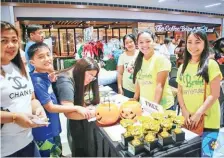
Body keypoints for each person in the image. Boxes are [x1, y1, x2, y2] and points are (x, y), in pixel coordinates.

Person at [27, 42, 91, 157]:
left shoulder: (43, 75)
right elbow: (50, 108)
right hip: (44, 132)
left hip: (52, 128)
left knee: (58, 153)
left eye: (48, 54)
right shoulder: (37, 82)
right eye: (41, 57)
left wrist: (51, 74)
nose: (47, 59)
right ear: (32, 62)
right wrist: (76, 107)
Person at [0, 21, 47, 157]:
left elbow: (31, 99)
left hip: (28, 143)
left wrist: (38, 109)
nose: (11, 45)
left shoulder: (21, 68)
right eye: (4, 40)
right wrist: (14, 117)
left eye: (14, 40)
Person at [176, 30, 222, 157]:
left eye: (197, 42)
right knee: (190, 154)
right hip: (189, 120)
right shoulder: (182, 67)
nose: (193, 46)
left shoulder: (211, 65)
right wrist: (184, 111)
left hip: (209, 120)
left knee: (206, 154)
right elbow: (180, 92)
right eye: (189, 42)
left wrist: (198, 113)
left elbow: (215, 94)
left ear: (204, 44)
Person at [54, 57, 100, 157]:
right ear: (81, 70)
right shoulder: (66, 82)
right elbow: (69, 113)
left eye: (93, 77)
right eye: (90, 75)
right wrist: (95, 113)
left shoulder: (76, 74)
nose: (90, 80)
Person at [132, 30, 174, 110]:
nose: (144, 45)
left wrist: (154, 108)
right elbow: (139, 81)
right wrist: (135, 98)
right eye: (141, 42)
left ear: (154, 41)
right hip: (145, 105)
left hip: (162, 107)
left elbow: (160, 86)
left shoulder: (161, 59)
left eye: (148, 41)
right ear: (137, 44)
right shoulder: (139, 61)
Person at [117, 34, 138, 98]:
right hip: (127, 89)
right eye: (126, 43)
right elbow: (120, 73)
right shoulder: (122, 56)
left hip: (141, 89)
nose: (129, 44)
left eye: (131, 42)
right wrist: (119, 87)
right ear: (124, 45)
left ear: (135, 42)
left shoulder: (141, 54)